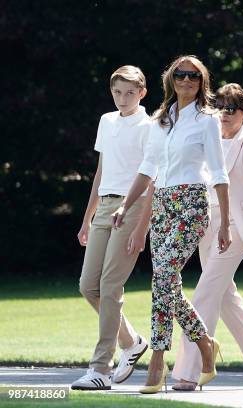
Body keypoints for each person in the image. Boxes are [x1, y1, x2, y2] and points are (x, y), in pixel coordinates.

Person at [112, 55, 231, 394]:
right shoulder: (159, 120)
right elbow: (148, 167)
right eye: (181, 75)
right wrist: (126, 205)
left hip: (192, 204)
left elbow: (219, 173)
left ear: (202, 81)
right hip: (162, 205)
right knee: (166, 284)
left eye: (194, 76)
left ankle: (157, 360)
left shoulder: (208, 120)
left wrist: (226, 224)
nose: (187, 80)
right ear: (171, 80)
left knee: (162, 276)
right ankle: (205, 344)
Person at [171, 83, 243, 391]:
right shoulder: (208, 140)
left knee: (205, 294)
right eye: (219, 107)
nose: (225, 114)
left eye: (232, 108)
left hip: (238, 230)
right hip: (207, 227)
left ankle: (188, 372)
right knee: (225, 298)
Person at [71, 65, 151, 391]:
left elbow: (151, 179)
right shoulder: (107, 121)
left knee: (110, 286)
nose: (123, 98)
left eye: (130, 92)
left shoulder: (150, 126)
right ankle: (131, 342)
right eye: (117, 92)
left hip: (132, 208)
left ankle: (100, 368)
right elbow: (102, 172)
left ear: (142, 93)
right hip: (104, 207)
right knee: (88, 286)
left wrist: (140, 228)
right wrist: (86, 218)